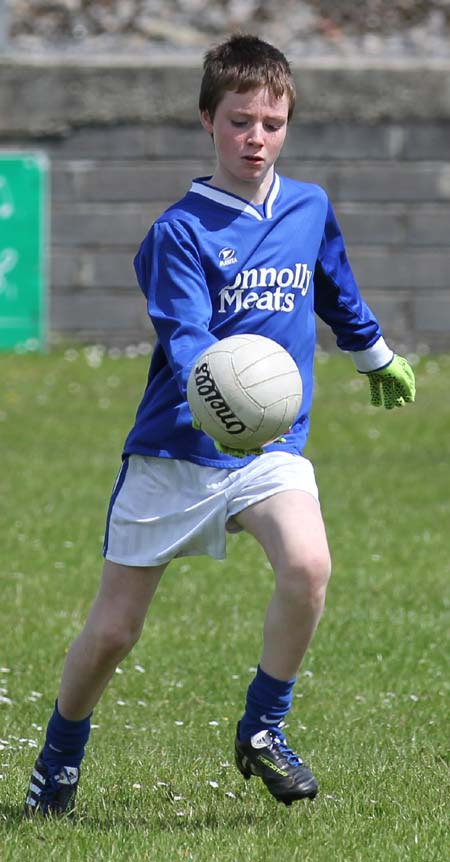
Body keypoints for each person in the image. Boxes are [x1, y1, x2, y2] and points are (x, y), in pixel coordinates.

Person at [24, 33, 415, 817]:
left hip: (269, 446)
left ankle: (264, 728)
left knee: (308, 566)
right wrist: (223, 402)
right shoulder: (182, 231)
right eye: (240, 121)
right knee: (114, 633)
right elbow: (188, 336)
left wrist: (374, 355)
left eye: (272, 122)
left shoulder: (308, 207)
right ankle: (58, 760)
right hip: (176, 446)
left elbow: (332, 285)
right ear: (208, 120)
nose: (256, 138)